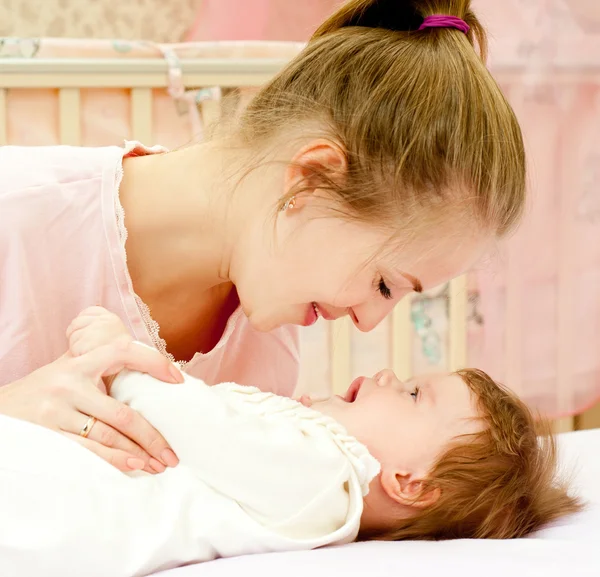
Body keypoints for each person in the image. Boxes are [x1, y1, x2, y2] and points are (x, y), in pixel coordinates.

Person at [0, 0, 526, 474]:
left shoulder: (270, 344)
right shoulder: (19, 213)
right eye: (384, 285)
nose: (369, 323)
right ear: (312, 180)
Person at [0, 307, 580, 577]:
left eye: (410, 396)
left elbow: (194, 424)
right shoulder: (310, 465)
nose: (385, 376)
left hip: (41, 512)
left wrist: (120, 358)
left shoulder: (326, 479)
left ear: (410, 483)